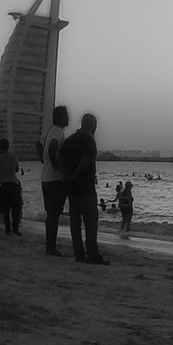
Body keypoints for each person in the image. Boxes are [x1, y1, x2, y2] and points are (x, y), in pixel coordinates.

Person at [60, 112, 106, 264]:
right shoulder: (89, 141)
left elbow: (61, 159)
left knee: (75, 223)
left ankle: (79, 254)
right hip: (85, 186)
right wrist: (74, 176)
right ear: (92, 126)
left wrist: (66, 177)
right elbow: (86, 162)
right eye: (95, 126)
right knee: (91, 222)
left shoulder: (69, 140)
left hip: (72, 188)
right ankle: (92, 254)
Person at [39, 105, 69, 256]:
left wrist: (43, 161)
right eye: (66, 115)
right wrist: (58, 167)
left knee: (51, 213)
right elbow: (51, 147)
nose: (68, 117)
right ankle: (51, 247)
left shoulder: (49, 130)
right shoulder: (58, 131)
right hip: (54, 178)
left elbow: (39, 144)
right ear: (61, 117)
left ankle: (50, 245)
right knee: (54, 214)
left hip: (45, 177)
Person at [0, 138, 22, 236]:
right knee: (15, 208)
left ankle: (8, 229)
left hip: (4, 185)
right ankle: (16, 228)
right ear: (8, 146)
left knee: (6, 208)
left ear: (0, 147)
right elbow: (17, 170)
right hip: (14, 184)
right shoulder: (13, 157)